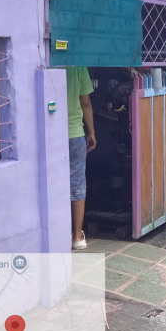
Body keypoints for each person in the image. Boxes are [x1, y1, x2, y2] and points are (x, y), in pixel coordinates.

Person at [66, 66, 96, 250]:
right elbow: (85, 103)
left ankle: (57, 231)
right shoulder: (78, 67)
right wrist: (91, 132)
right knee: (77, 184)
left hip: (50, 135)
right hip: (75, 135)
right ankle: (77, 236)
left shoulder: (48, 60)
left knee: (53, 183)